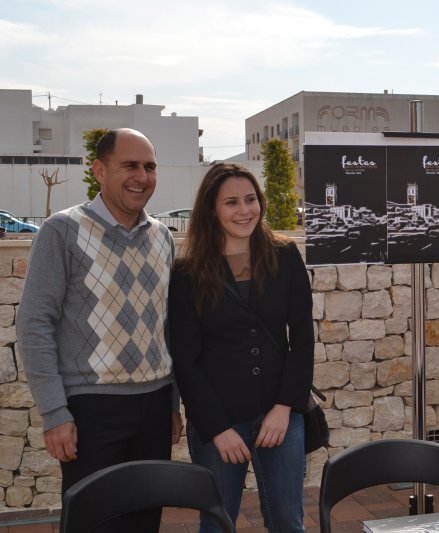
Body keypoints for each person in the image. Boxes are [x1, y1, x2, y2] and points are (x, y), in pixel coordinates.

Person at [17, 128, 182, 532]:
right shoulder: (62, 231)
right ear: (99, 170)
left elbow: (167, 326)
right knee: (92, 522)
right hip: (90, 412)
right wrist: (55, 413)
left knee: (145, 520)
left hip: (156, 406)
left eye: (149, 167)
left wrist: (173, 403)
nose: (141, 176)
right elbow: (35, 323)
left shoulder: (163, 238)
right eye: (130, 165)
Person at [169, 163, 313, 532]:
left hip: (279, 416)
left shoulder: (285, 257)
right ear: (212, 210)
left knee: (288, 522)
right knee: (216, 522)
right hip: (221, 422)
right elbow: (186, 359)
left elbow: (301, 337)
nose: (244, 210)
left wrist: (285, 408)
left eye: (250, 199)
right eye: (231, 202)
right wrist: (217, 428)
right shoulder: (187, 273)